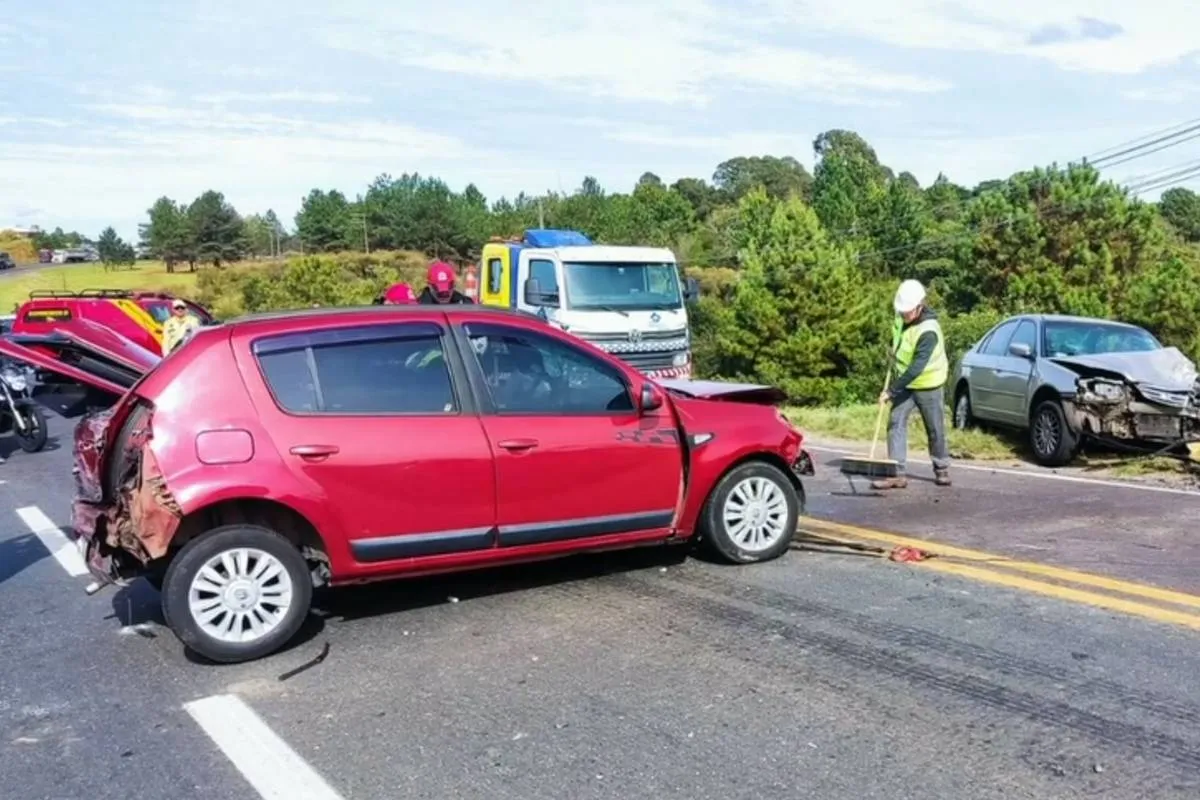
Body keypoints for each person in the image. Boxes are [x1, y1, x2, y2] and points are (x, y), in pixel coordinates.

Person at [873, 279, 951, 490]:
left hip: (929, 383)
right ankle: (897, 473)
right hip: (906, 385)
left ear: (920, 305)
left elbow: (917, 367)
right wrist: (893, 352)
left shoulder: (929, 331)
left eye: (908, 311)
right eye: (902, 310)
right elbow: (901, 341)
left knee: (934, 428)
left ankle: (941, 467)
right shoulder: (900, 318)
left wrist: (891, 391)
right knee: (895, 423)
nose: (904, 314)